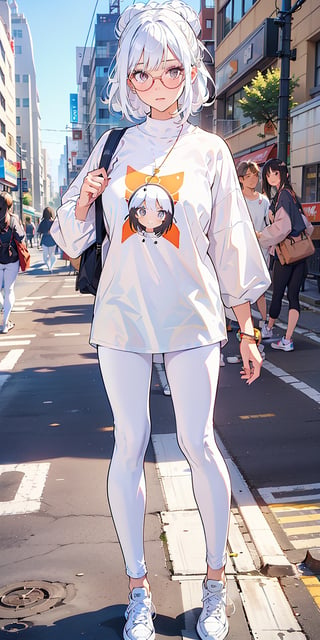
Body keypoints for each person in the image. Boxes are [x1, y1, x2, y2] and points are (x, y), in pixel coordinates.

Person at [51, 2, 270, 639]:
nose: (157, 86)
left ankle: (212, 587)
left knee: (200, 445)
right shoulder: (111, 144)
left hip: (194, 316)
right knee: (127, 446)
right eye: (142, 75)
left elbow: (230, 240)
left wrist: (247, 325)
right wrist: (88, 196)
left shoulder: (210, 151)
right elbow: (69, 236)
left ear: (189, 71)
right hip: (120, 316)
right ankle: (139, 591)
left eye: (170, 70)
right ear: (125, 77)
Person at [257, 158, 314, 351]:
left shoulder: (282, 197)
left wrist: (262, 235)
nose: (271, 177)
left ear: (283, 174)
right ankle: (288, 339)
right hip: (301, 254)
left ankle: (269, 329)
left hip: (285, 254)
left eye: (275, 173)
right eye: (268, 174)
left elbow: (283, 227)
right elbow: (307, 226)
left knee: (278, 292)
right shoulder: (293, 195)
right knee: (294, 296)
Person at [237, 160, 270, 338]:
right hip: (241, 251)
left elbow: (269, 225)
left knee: (260, 291)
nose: (252, 180)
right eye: (248, 176)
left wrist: (262, 234)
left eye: (255, 176)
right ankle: (245, 328)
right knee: (242, 292)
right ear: (241, 179)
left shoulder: (263, 200)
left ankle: (264, 324)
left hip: (260, 251)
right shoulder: (237, 199)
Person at [0, 193, 25, 333]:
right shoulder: (13, 219)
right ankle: (5, 325)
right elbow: (20, 237)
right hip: (12, 259)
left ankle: (4, 313)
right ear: (9, 204)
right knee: (9, 290)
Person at [37, 206, 57, 272]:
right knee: (52, 255)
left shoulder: (42, 222)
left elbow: (39, 231)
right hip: (52, 240)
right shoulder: (54, 222)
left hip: (45, 240)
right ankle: (50, 267)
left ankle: (49, 267)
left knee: (45, 256)